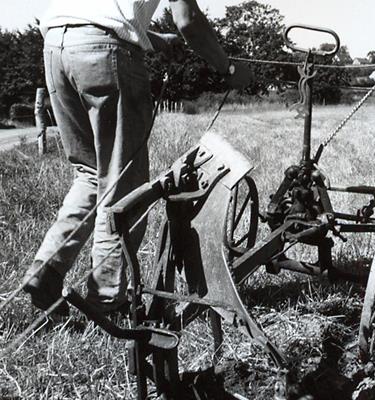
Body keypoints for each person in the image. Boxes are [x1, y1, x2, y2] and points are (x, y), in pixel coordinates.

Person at [22, 0, 253, 316]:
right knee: (124, 181)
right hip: (105, 53)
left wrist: (153, 39)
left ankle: (46, 269)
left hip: (56, 47)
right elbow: (189, 21)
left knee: (90, 172)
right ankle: (106, 300)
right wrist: (227, 68)